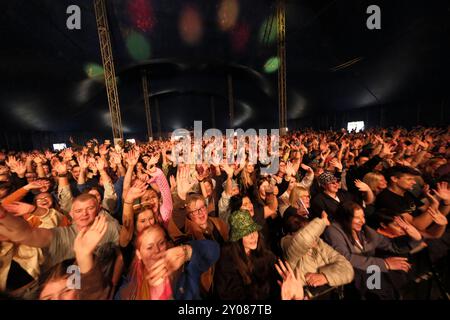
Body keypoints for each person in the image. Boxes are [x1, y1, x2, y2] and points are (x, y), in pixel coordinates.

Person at [323, 201, 424, 299]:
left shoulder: (365, 230)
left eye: (362, 216)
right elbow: (345, 258)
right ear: (345, 218)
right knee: (379, 279)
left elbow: (391, 245)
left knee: (394, 271)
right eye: (357, 218)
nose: (362, 221)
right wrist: (384, 264)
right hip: (351, 274)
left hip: (369, 271)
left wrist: (415, 237)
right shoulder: (333, 230)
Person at [115, 224, 219, 300]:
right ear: (139, 254)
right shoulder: (128, 292)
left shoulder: (183, 269)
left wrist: (186, 252)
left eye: (161, 243)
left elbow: (215, 251)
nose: (156, 250)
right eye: (149, 247)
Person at [281, 212, 354, 299]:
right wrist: (323, 221)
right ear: (292, 234)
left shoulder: (319, 244)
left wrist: (325, 276)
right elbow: (303, 239)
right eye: (313, 233)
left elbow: (348, 269)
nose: (314, 237)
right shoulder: (287, 244)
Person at [213, 210, 279, 300]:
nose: (253, 236)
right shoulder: (227, 260)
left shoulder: (268, 257)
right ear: (238, 238)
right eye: (246, 233)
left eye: (254, 231)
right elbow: (229, 294)